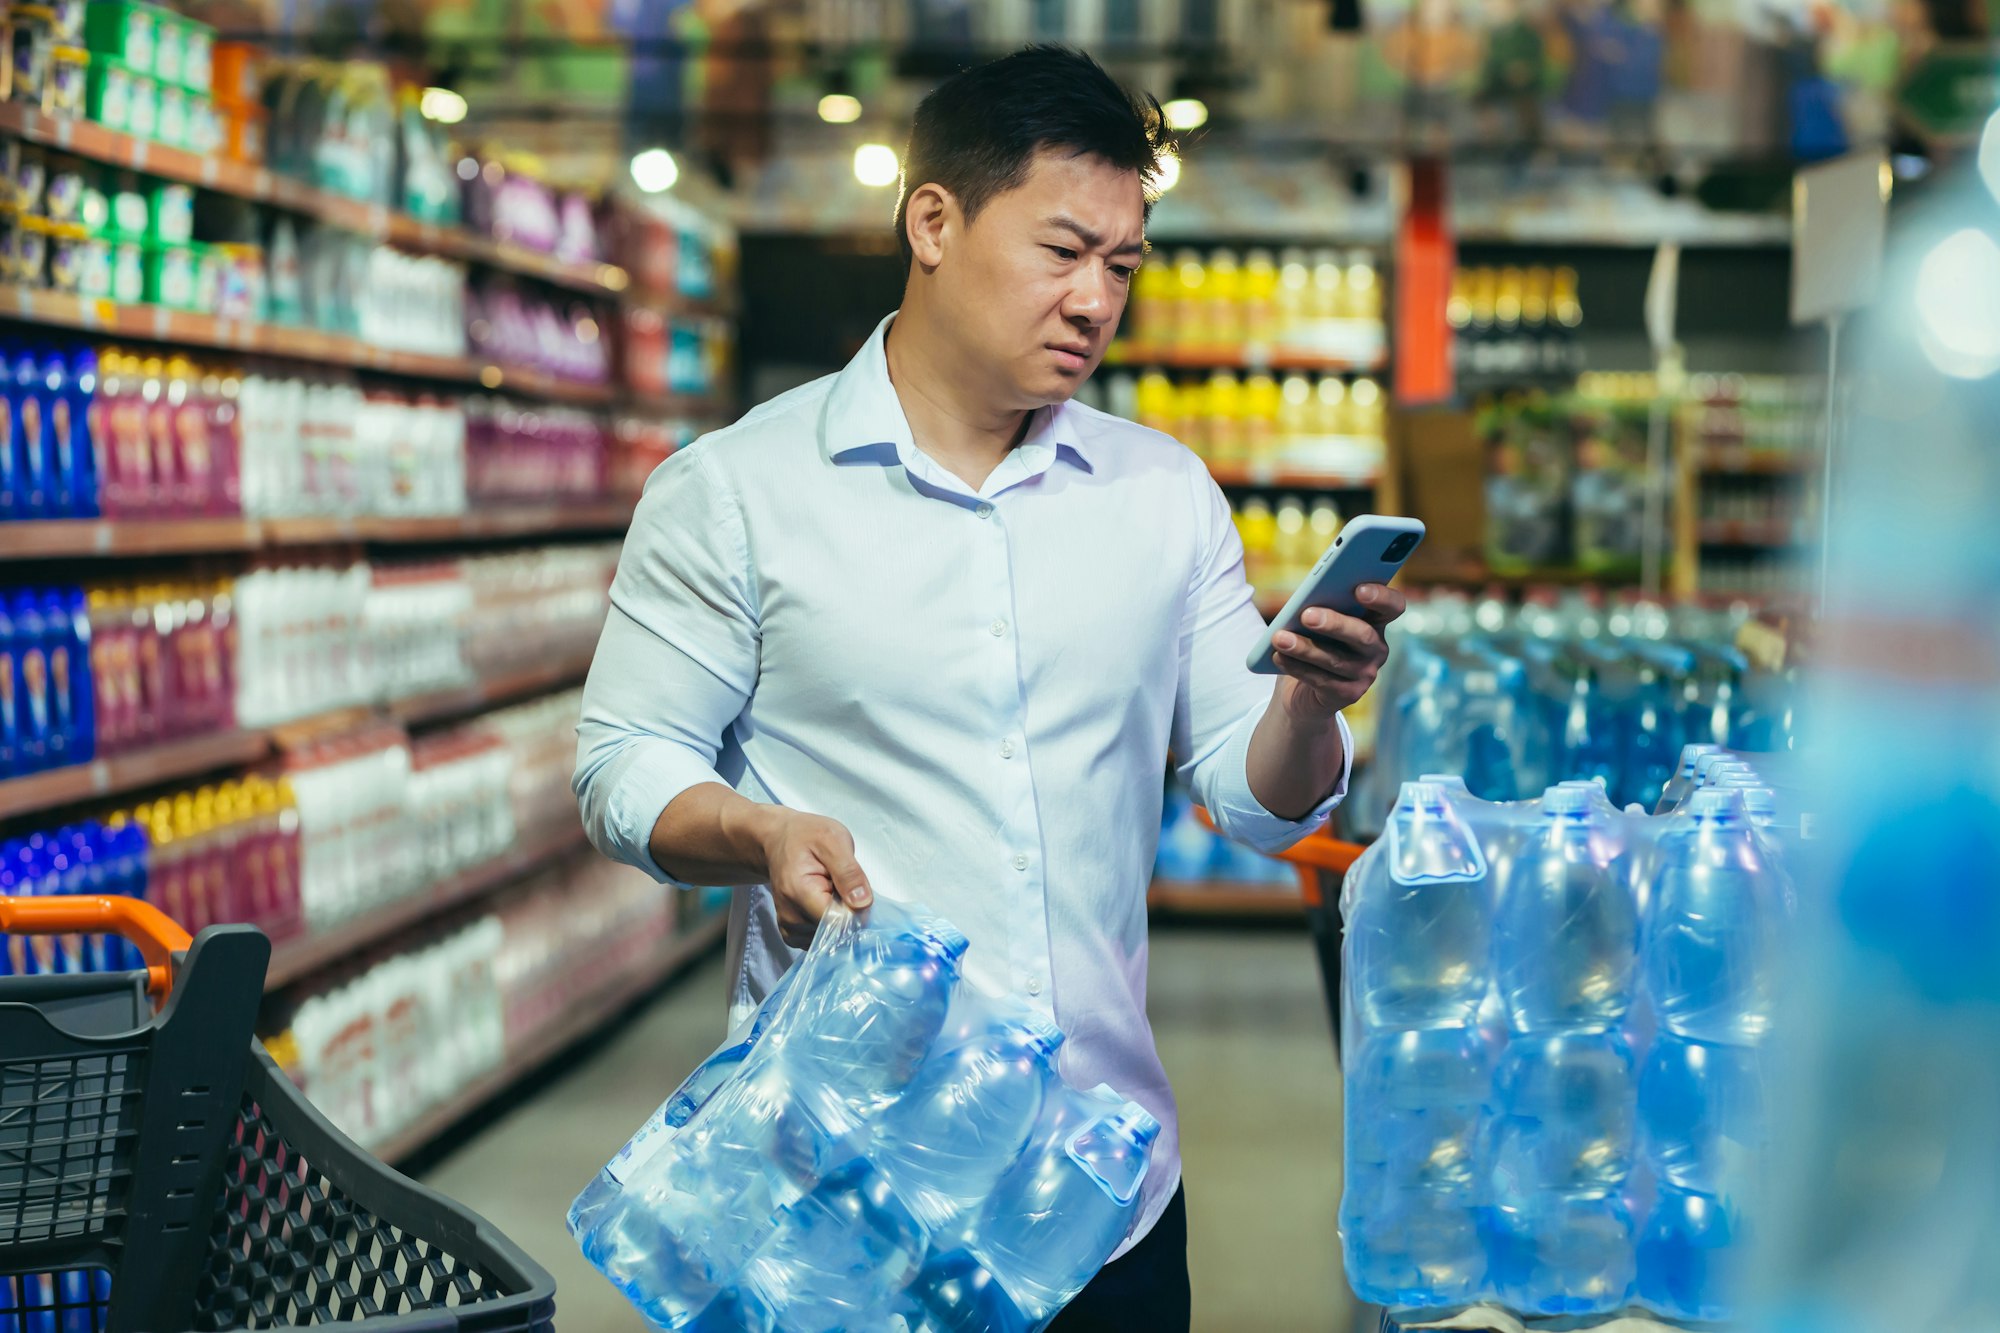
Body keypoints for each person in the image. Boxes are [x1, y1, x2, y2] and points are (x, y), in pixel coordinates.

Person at [574, 44, 1405, 1332]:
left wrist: (1307, 702)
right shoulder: (736, 491)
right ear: (933, 222)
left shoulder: (1162, 496)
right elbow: (623, 762)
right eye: (1062, 250)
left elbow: (1258, 804)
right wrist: (756, 832)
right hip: (839, 1208)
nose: (1095, 299)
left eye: (1123, 266)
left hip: (1099, 1196)